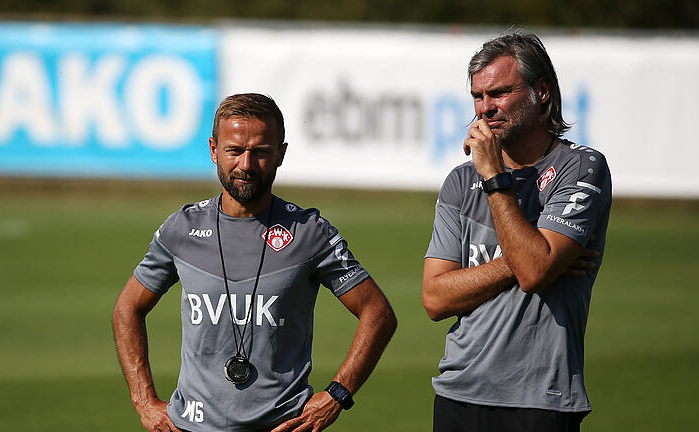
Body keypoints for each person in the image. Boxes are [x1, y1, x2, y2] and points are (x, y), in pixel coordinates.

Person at [113, 93, 397, 432]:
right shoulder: (181, 229)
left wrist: (337, 395)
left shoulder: (309, 232)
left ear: (281, 154)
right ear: (213, 150)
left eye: (260, 152)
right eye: (234, 150)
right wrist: (143, 399)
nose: (246, 165)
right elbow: (127, 308)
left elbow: (378, 314)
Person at [422, 32, 611, 431]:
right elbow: (436, 298)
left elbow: (535, 273)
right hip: (458, 393)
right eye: (478, 96)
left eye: (500, 93)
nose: (485, 109)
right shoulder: (459, 181)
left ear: (541, 92)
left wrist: (493, 176)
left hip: (540, 400)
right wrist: (529, 259)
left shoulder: (581, 167)